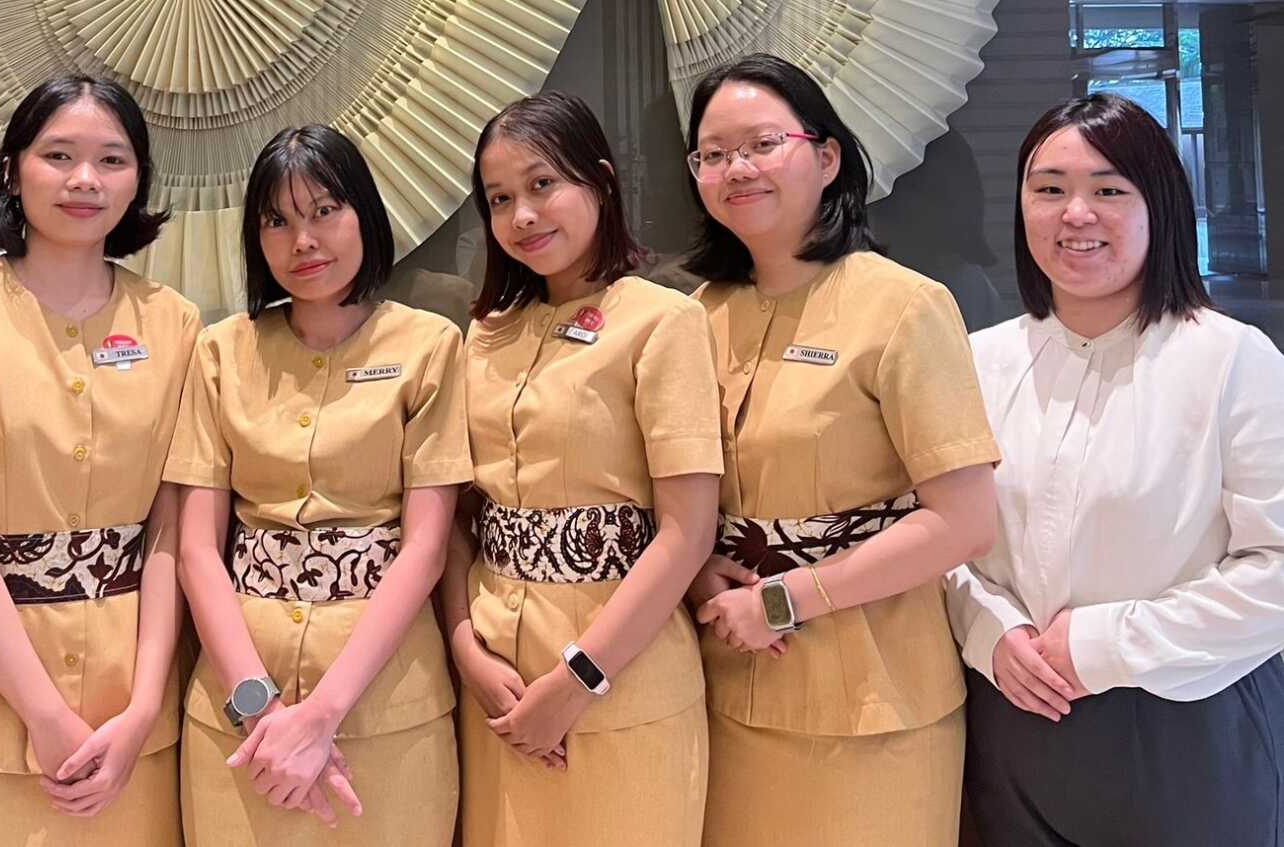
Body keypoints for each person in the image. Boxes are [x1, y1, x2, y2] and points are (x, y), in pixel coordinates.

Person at [949, 93, 1284, 846]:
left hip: (1187, 720)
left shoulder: (1232, 360)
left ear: (1160, 204)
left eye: (1108, 189)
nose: (1076, 213)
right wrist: (989, 629)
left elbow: (1277, 568)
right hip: (1010, 715)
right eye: (1049, 188)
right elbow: (940, 541)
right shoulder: (976, 361)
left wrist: (1104, 645)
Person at [682, 53, 999, 846]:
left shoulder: (905, 306)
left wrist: (784, 599)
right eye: (714, 154)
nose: (736, 169)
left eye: (762, 144)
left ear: (827, 158)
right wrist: (695, 569)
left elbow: (964, 522)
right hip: (720, 684)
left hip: (872, 694)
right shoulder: (695, 315)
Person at [0, 74, 198, 845]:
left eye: (111, 159)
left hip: (129, 719)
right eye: (58, 155)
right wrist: (44, 714)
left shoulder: (176, 323)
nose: (85, 179)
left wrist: (145, 706)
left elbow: (171, 529)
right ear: (13, 170)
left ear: (138, 180)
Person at [167, 123, 468, 845]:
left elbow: (426, 549)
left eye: (325, 210)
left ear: (365, 213)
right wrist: (261, 710)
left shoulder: (429, 345)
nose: (303, 240)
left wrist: (321, 715)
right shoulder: (219, 352)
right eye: (277, 220)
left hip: (386, 702)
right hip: (241, 717)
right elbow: (197, 550)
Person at [442, 90, 723, 846]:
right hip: (497, 685)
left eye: (543, 184)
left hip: (621, 678)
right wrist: (465, 649)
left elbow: (687, 532)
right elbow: (462, 515)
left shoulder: (664, 320)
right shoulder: (483, 334)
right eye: (500, 199)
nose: (523, 216)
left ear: (599, 180)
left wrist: (576, 681)